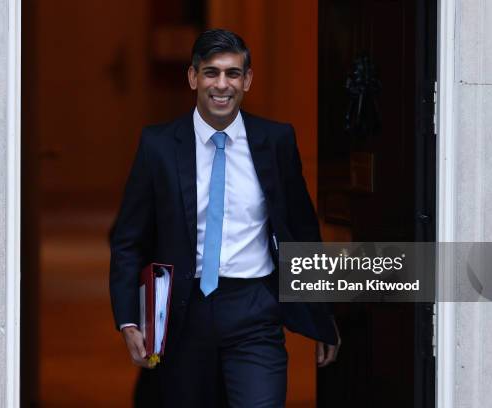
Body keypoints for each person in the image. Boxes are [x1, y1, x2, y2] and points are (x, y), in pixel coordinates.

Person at [110, 28, 340, 408]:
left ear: (247, 80)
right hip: (183, 314)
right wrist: (129, 320)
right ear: (192, 77)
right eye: (211, 72)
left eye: (233, 73)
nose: (222, 84)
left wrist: (321, 313)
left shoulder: (276, 140)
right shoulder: (158, 146)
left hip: (255, 309)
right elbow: (128, 240)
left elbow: (302, 230)